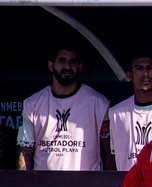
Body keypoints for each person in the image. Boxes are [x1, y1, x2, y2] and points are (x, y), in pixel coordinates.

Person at [16, 43, 111, 171]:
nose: (67, 66)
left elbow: (109, 152)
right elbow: (25, 150)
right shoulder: (32, 104)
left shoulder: (99, 103)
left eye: (73, 61)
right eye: (62, 60)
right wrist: (24, 186)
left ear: (80, 67)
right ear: (51, 65)